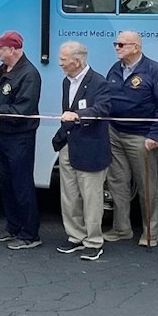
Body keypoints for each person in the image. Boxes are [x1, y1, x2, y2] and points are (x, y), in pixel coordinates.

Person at [103, 30, 158, 248]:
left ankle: (150, 233)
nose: (117, 47)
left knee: (146, 186)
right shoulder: (115, 69)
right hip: (114, 132)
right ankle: (122, 229)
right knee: (117, 183)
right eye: (116, 44)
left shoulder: (153, 71)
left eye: (122, 44)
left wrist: (156, 135)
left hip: (141, 136)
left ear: (136, 47)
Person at [50, 41, 114, 261]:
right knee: (68, 195)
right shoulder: (66, 82)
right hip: (69, 144)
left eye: (62, 59)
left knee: (91, 197)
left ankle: (94, 241)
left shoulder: (99, 82)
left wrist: (79, 114)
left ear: (76, 61)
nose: (59, 63)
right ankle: (75, 236)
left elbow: (103, 108)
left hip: (91, 147)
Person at [0, 30, 43, 249]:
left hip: (20, 138)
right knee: (7, 184)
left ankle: (29, 234)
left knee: (22, 185)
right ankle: (13, 226)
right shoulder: (2, 70)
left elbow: (23, 108)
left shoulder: (29, 74)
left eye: (0, 48)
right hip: (4, 136)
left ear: (13, 50)